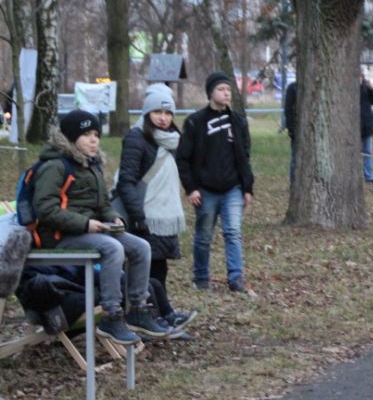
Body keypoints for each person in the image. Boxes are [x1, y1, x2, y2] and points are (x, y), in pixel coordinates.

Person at [31, 110, 171, 344]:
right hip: (59, 236)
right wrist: (86, 224)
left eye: (96, 134)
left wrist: (113, 218)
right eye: (87, 135)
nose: (94, 140)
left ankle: (138, 308)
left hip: (91, 230)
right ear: (70, 137)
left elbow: (103, 204)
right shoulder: (55, 166)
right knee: (112, 248)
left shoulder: (92, 166)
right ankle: (111, 315)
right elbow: (45, 210)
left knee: (141, 247)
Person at [114, 83, 196, 338]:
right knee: (146, 271)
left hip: (165, 216)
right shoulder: (136, 139)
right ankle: (149, 317)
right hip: (146, 216)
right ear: (147, 112)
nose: (163, 118)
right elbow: (126, 181)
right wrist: (138, 216)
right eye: (158, 112)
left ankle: (162, 314)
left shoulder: (171, 140)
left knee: (159, 268)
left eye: (168, 113)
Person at [176, 72, 255, 294]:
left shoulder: (238, 122)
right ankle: (201, 277)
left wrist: (247, 187)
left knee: (233, 232)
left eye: (228, 89)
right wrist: (191, 188)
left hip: (233, 188)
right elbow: (183, 158)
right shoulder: (196, 122)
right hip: (205, 190)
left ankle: (236, 278)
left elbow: (244, 156)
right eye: (221, 89)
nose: (226, 93)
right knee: (203, 236)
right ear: (210, 93)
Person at [360, 74, 373, 184]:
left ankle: (369, 176)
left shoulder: (366, 88)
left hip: (366, 125)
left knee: (367, 152)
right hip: (356, 125)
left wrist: (371, 89)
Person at [284, 80, 298, 183]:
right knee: (295, 158)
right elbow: (288, 110)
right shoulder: (292, 88)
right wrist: (292, 130)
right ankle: (294, 182)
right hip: (296, 131)